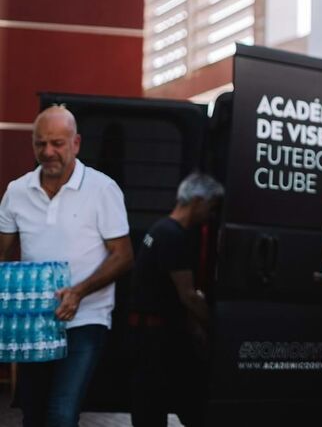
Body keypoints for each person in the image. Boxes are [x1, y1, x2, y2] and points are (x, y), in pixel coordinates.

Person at [0, 105, 133, 427]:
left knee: (61, 413)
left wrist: (78, 292)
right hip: (33, 321)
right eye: (40, 143)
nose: (48, 152)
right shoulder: (17, 192)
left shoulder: (102, 189)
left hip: (86, 318)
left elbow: (123, 255)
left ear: (76, 143)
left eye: (57, 143)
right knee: (32, 413)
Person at [128, 172, 223, 427]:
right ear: (198, 201)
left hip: (146, 333)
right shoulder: (173, 236)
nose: (211, 215)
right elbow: (188, 296)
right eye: (211, 207)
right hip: (157, 338)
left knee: (150, 403)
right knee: (170, 404)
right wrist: (216, 328)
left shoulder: (158, 229)